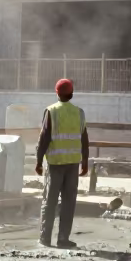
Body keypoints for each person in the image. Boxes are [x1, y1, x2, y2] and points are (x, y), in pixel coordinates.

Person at [35, 78, 88, 248]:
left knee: (49, 202)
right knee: (68, 203)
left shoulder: (51, 111)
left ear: (56, 93)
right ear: (72, 94)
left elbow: (44, 138)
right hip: (73, 164)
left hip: (55, 164)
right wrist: (85, 162)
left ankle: (45, 238)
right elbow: (85, 139)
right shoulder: (79, 113)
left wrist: (38, 161)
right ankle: (63, 239)